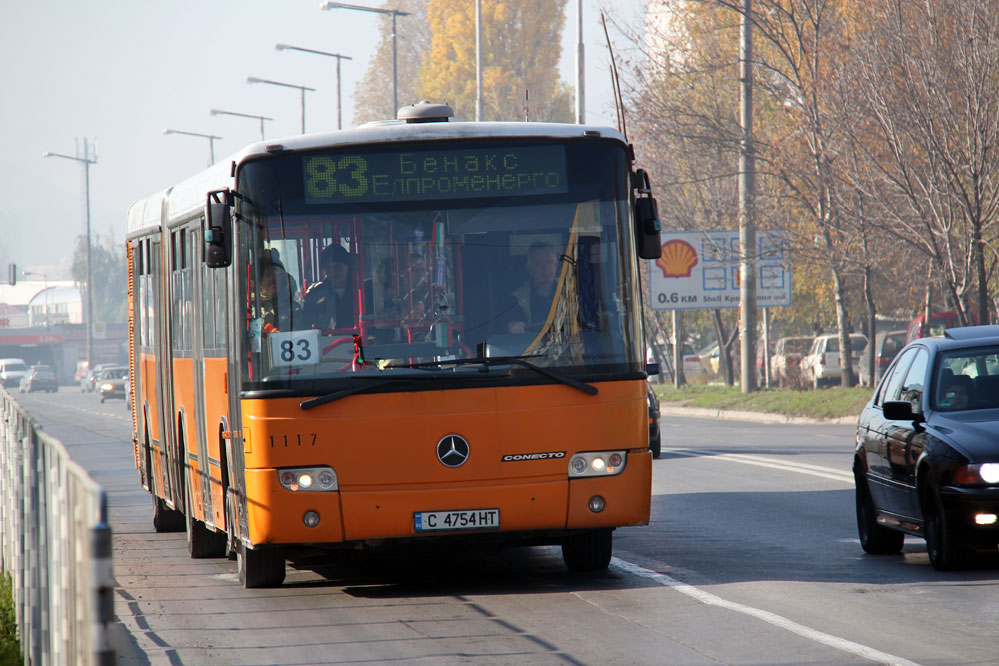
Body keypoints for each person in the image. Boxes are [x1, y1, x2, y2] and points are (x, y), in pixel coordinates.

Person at [505, 242, 559, 335]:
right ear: (530, 269)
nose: (546, 270)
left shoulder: (572, 291)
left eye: (549, 262)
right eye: (539, 264)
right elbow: (512, 322)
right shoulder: (517, 299)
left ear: (556, 265)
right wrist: (515, 326)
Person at [304, 243, 356, 330]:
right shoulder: (314, 296)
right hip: (326, 343)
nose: (333, 272)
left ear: (347, 267)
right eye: (328, 268)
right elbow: (306, 326)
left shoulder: (362, 292)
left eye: (338, 266)